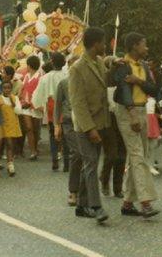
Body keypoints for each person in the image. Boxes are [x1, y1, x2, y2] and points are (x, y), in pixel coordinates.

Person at [111, 32, 160, 218]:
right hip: (128, 111)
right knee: (138, 155)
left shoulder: (144, 66)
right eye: (143, 45)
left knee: (138, 156)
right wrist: (132, 114)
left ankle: (128, 203)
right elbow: (123, 90)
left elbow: (153, 89)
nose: (146, 48)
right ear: (134, 47)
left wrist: (139, 81)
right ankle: (145, 202)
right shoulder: (123, 65)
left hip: (142, 110)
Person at [69, 27, 112, 223]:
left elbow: (105, 80)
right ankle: (96, 206)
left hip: (100, 121)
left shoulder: (99, 63)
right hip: (85, 126)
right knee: (91, 163)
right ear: (95, 44)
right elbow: (77, 102)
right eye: (103, 42)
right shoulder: (77, 68)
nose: (105, 46)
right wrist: (90, 128)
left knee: (91, 163)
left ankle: (81, 205)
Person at [33, 52, 68, 171]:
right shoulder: (67, 75)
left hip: (51, 106)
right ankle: (67, 162)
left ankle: (54, 160)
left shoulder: (45, 77)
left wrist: (39, 105)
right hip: (65, 106)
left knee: (53, 135)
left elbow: (37, 95)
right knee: (66, 134)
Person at [55, 55, 82, 206]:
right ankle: (73, 191)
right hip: (68, 122)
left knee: (87, 156)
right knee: (77, 153)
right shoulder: (63, 83)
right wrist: (57, 126)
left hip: (85, 122)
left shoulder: (85, 83)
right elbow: (58, 104)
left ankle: (85, 191)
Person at [0, 81, 23, 177]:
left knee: (10, 144)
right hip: (1, 124)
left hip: (12, 125)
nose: (7, 90)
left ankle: (10, 164)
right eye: (4, 88)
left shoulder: (15, 98)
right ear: (1, 89)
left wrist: (13, 102)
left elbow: (19, 111)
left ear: (11, 89)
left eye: (8, 88)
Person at [19, 55, 43, 160]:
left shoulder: (40, 77)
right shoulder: (26, 76)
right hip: (26, 106)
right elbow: (22, 89)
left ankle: (35, 148)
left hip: (36, 106)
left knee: (36, 129)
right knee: (29, 128)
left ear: (30, 65)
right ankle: (33, 151)